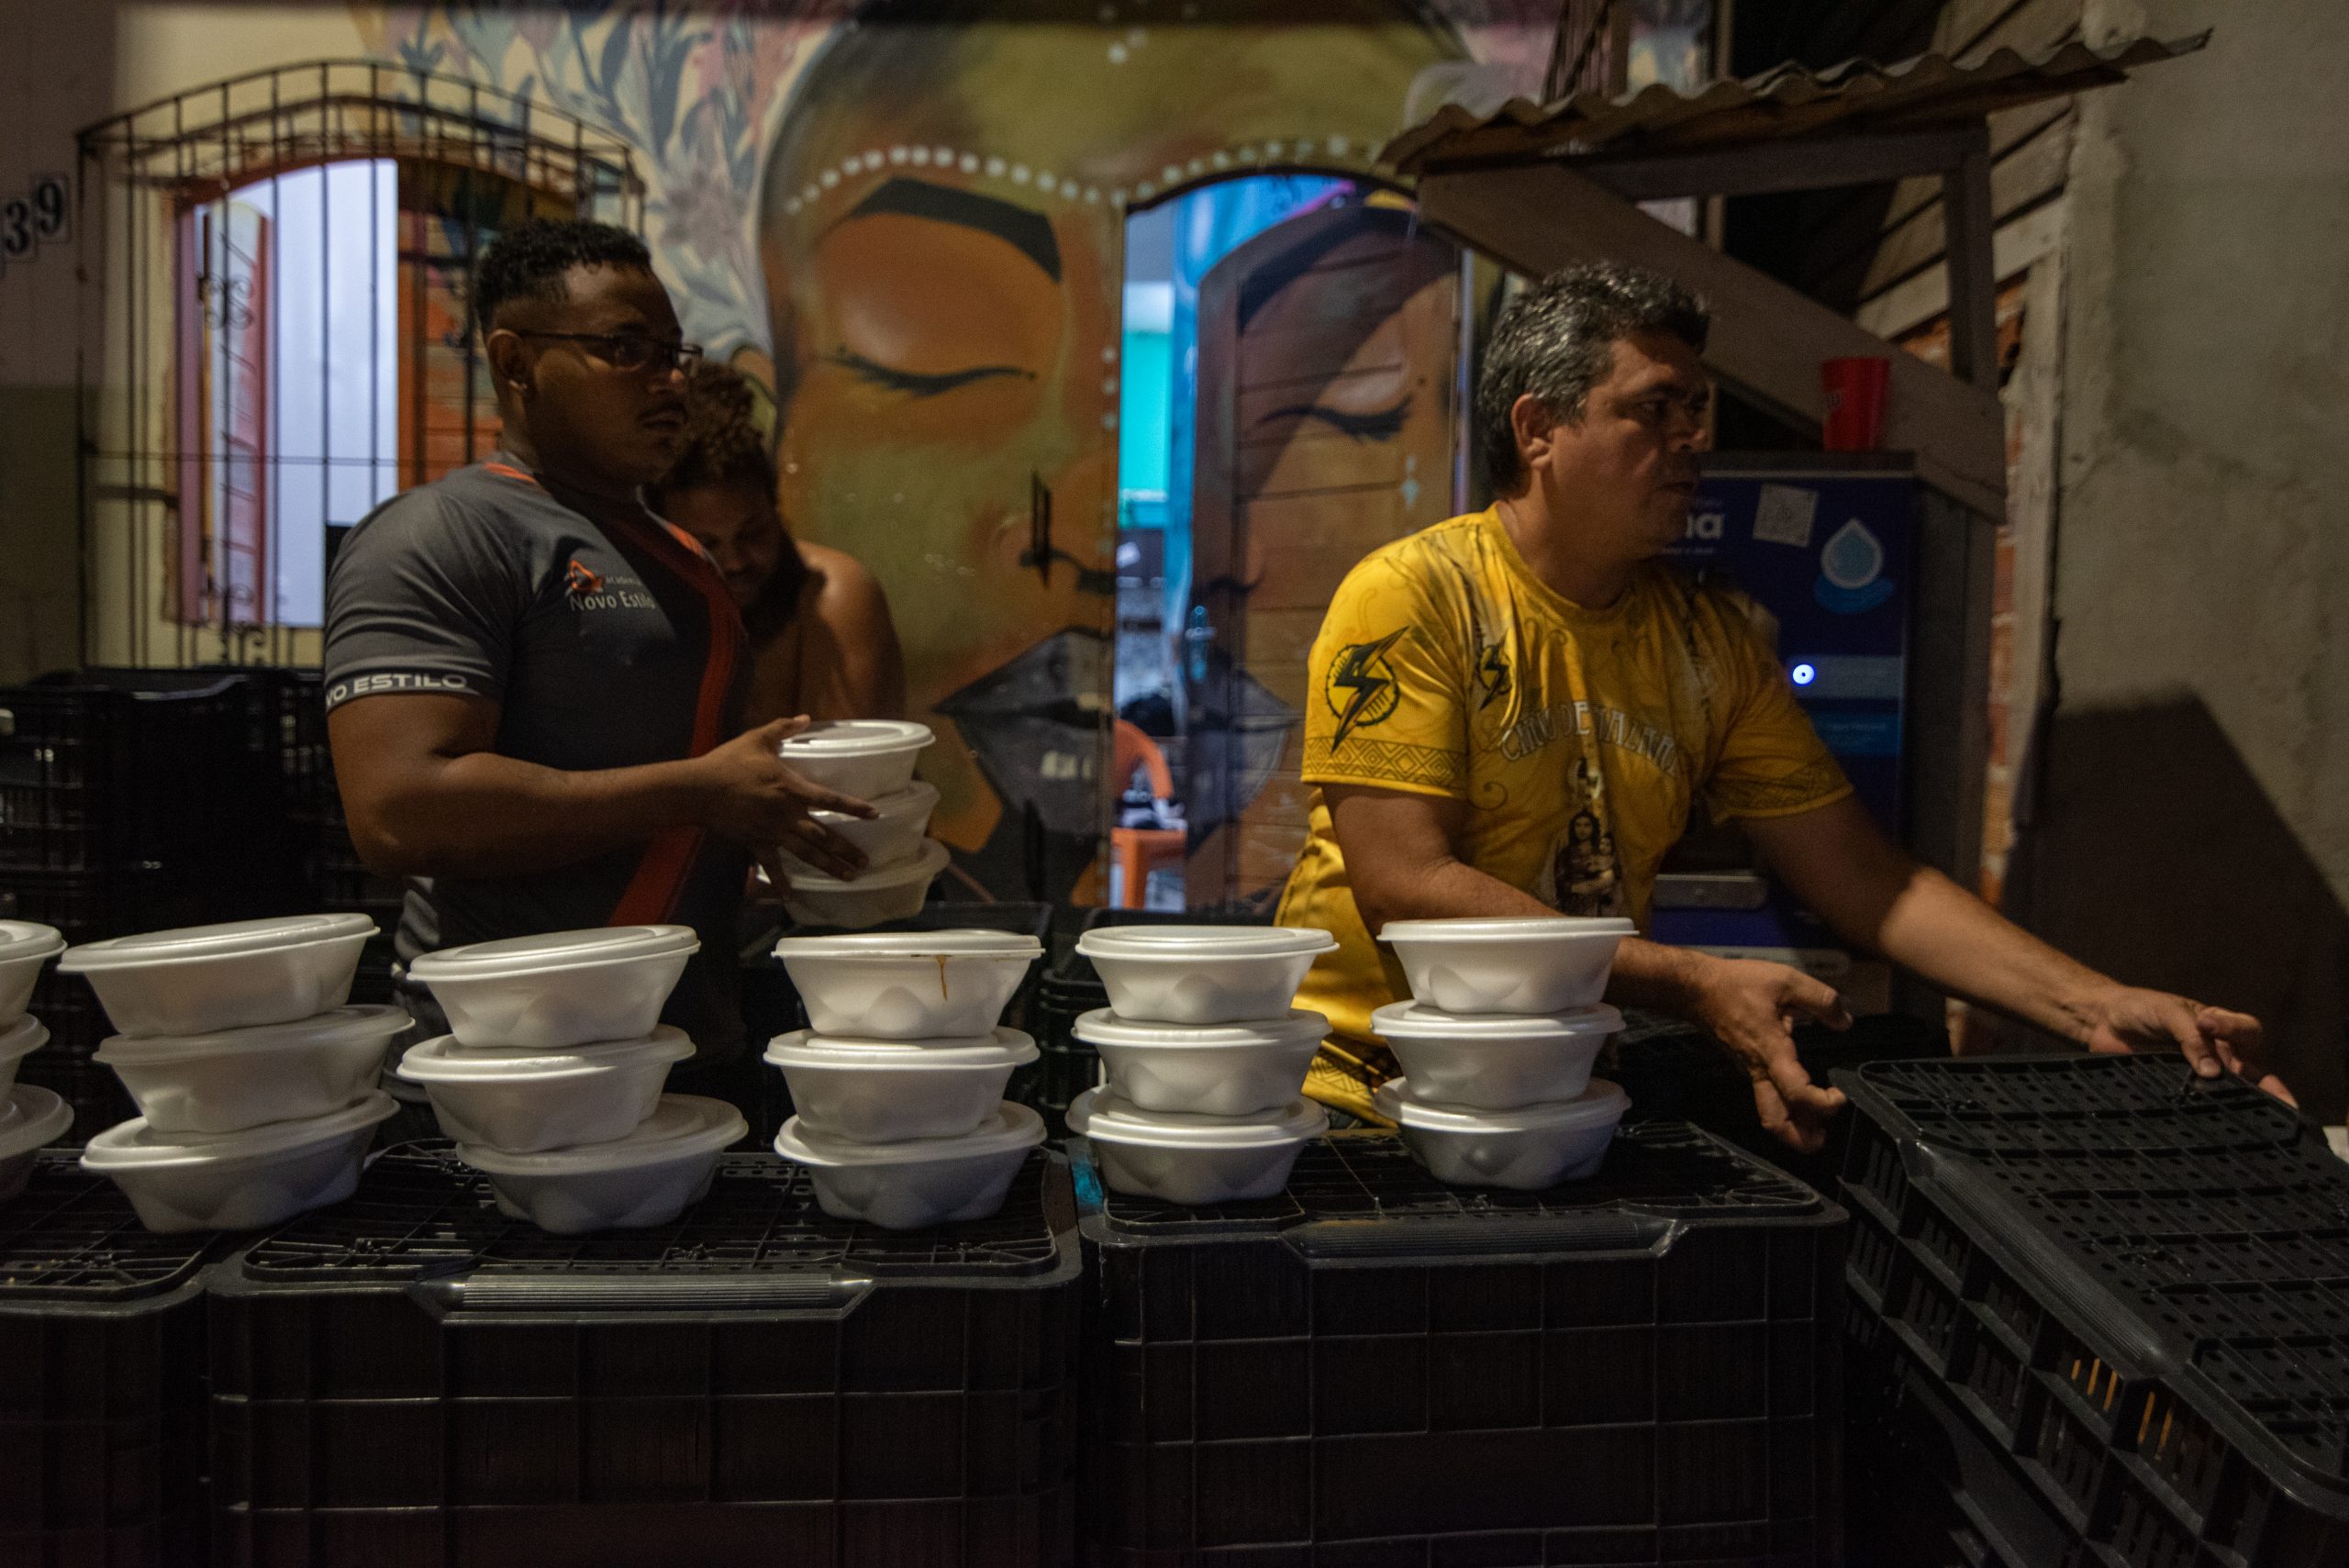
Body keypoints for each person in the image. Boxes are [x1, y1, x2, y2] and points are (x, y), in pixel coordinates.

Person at [1276, 261, 2282, 1145]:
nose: (1691, 439)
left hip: (1556, 1099)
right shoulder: (1416, 594)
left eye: (1697, 410)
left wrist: (2092, 1004)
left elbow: (1867, 883)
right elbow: (1406, 882)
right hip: (1363, 1101)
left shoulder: (1708, 644)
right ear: (1539, 429)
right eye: (1653, 408)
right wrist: (1692, 980)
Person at [323, 218, 874, 1104]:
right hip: (509, 1071)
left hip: (676, 1052)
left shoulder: (678, 555)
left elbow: (682, 782)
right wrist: (700, 791)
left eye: (672, 349)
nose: (670, 379)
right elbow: (397, 810)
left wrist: (772, 827)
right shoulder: (443, 535)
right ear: (514, 364)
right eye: (626, 349)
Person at [649, 363, 906, 727]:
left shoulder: (830, 598)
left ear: (775, 507)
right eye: (706, 545)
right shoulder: (645, 604)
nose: (735, 561)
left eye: (753, 533)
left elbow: (846, 776)